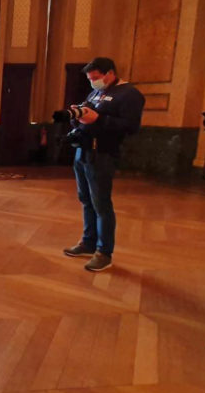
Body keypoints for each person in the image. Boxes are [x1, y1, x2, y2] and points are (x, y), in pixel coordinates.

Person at [62, 57, 145, 272]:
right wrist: (77, 115)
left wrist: (97, 119)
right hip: (84, 150)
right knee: (85, 199)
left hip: (103, 154)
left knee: (101, 204)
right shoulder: (95, 92)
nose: (92, 82)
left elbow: (131, 127)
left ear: (110, 73)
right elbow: (87, 115)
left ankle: (104, 252)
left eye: (96, 78)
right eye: (90, 79)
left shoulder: (129, 95)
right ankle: (88, 242)